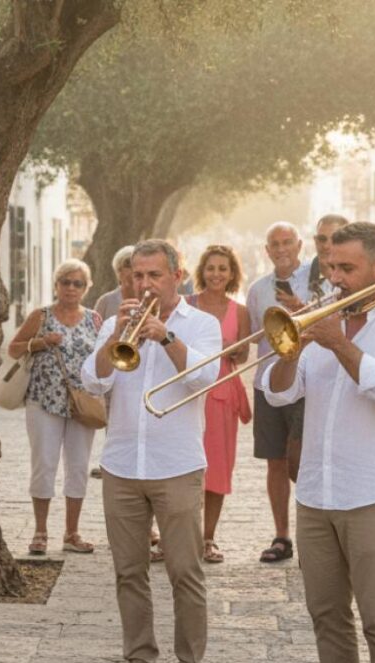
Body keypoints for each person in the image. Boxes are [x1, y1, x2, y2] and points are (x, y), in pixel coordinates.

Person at [265, 222, 375, 663]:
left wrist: (339, 343)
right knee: (326, 615)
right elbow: (279, 392)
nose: (335, 278)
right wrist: (291, 352)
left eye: (347, 268)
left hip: (374, 495)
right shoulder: (323, 322)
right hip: (317, 495)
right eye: (330, 266)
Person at [82, 239, 222, 663]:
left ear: (177, 277)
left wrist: (165, 336)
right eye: (137, 275)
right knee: (128, 573)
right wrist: (116, 338)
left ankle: (190, 657)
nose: (143, 284)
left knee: (185, 572)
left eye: (153, 275)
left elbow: (206, 378)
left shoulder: (201, 323)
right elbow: (93, 381)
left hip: (175, 465)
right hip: (122, 464)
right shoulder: (113, 324)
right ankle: (139, 653)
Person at [8, 259, 102, 555]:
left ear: (86, 288)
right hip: (43, 400)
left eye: (78, 283)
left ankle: (72, 533)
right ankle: (40, 532)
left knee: (78, 467)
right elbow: (13, 348)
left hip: (81, 403)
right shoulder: (41, 315)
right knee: (44, 465)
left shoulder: (95, 319)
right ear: (57, 285)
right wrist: (40, 342)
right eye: (66, 282)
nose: (71, 288)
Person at [246, 221, 310, 563]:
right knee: (275, 461)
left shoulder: (318, 281)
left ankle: (313, 533)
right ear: (267, 251)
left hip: (306, 382)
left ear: (299, 245)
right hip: (267, 381)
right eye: (275, 244)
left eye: (288, 242)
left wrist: (302, 310)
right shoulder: (257, 290)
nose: (282, 248)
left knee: (302, 462)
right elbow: (254, 337)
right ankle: (282, 535)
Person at [187, 245, 251, 563]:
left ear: (232, 274)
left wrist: (231, 349)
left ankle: (207, 538)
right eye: (211, 268)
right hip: (187, 393)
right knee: (182, 466)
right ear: (202, 271)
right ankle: (179, 536)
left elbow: (244, 353)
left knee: (217, 468)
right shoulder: (187, 305)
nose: (216, 274)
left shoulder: (239, 311)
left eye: (223, 268)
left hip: (221, 392)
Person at [307, 214, 349, 299]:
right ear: (315, 241)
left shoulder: (360, 275)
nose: (326, 246)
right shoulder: (300, 276)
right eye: (322, 239)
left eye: (335, 239)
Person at [94, 245, 138, 321]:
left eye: (136, 265)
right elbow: (95, 331)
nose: (133, 270)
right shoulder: (106, 302)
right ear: (118, 271)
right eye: (128, 265)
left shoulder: (150, 300)